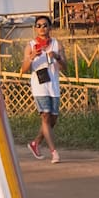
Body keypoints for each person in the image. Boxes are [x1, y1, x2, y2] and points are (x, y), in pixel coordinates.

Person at [22, 15, 64, 163]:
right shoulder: (31, 45)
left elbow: (65, 68)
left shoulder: (56, 45)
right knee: (45, 116)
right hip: (39, 86)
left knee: (53, 120)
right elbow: (23, 70)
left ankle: (35, 143)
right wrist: (32, 57)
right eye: (38, 25)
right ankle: (54, 152)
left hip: (53, 85)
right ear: (35, 28)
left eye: (45, 25)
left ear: (50, 28)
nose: (42, 28)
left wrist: (58, 57)